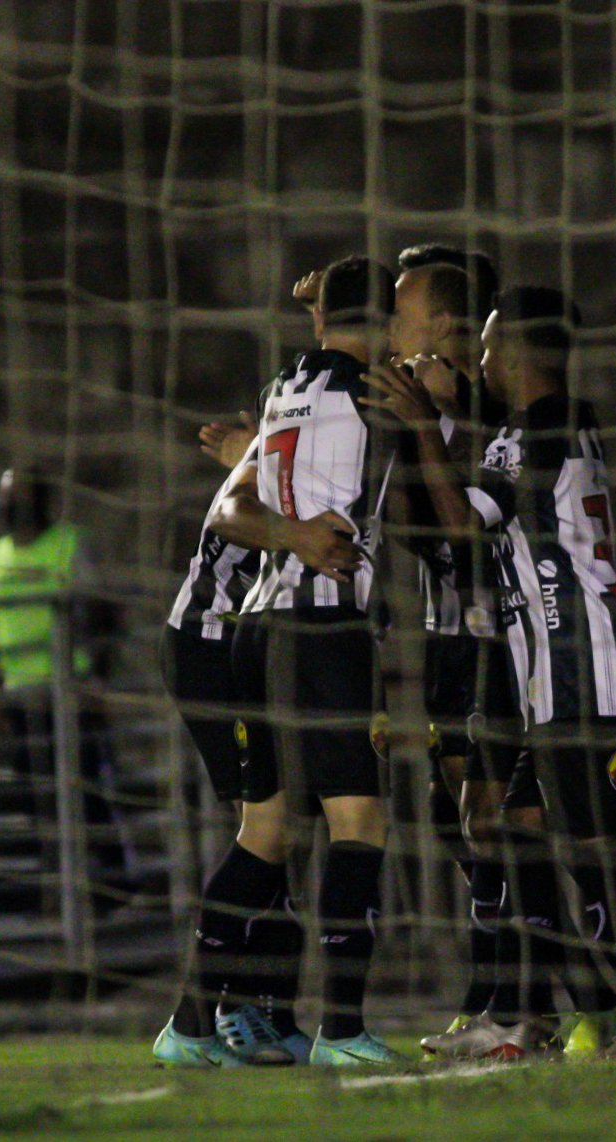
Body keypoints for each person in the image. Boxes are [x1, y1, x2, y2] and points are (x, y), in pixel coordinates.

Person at [363, 286, 616, 1060]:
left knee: (588, 855)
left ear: (512, 349)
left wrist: (422, 425)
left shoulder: (547, 426)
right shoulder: (530, 428)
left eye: (484, 348)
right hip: (548, 676)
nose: (478, 362)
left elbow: (457, 521)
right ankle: (523, 1015)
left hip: (589, 667)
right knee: (513, 833)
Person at [197, 254, 403, 1066]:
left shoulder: (285, 389)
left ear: (318, 318)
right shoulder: (376, 394)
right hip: (321, 630)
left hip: (256, 628)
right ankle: (343, 1032)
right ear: (385, 321)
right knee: (359, 826)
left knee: (267, 833)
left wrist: (284, 534)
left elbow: (228, 512)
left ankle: (189, 1019)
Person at [152, 415, 316, 1068]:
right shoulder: (283, 470)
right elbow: (233, 518)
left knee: (280, 834)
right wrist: (251, 456)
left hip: (247, 654)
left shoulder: (288, 461)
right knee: (267, 829)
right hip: (212, 647)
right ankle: (198, 1020)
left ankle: (266, 1012)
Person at [0, 469, 131, 903]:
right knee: (34, 794)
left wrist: (98, 679)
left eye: (21, 499)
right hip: (19, 694)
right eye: (6, 500)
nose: (13, 510)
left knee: (89, 792)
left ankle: (112, 885)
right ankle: (56, 886)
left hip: (70, 692)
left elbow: (105, 615)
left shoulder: (69, 544)